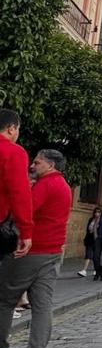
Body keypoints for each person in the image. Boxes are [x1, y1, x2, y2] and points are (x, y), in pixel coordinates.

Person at [0, 149, 72, 348]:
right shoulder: (65, 187)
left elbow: (25, 209)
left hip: (30, 251)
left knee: (4, 302)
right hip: (53, 253)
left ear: (50, 165)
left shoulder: (45, 185)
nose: (32, 166)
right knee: (42, 307)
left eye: (37, 163)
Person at [0, 109, 33, 262]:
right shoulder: (14, 152)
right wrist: (26, 232)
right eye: (18, 129)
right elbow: (19, 194)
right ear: (11, 128)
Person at [78, 207, 102, 277]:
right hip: (89, 239)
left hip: (97, 240)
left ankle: (96, 269)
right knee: (88, 254)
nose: (97, 213)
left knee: (96, 256)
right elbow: (87, 229)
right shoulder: (91, 219)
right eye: (96, 212)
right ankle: (84, 270)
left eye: (99, 212)